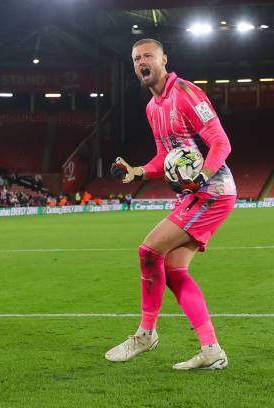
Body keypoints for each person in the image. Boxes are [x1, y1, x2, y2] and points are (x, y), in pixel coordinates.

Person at [105, 38, 237, 370]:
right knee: (175, 271)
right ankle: (211, 349)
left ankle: (146, 335)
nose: (141, 62)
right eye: (136, 58)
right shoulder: (153, 108)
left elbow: (220, 141)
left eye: (148, 55)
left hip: (212, 191)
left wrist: (204, 176)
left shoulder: (188, 94)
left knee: (149, 251)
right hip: (194, 194)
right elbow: (165, 157)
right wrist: (136, 171)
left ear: (164, 59)